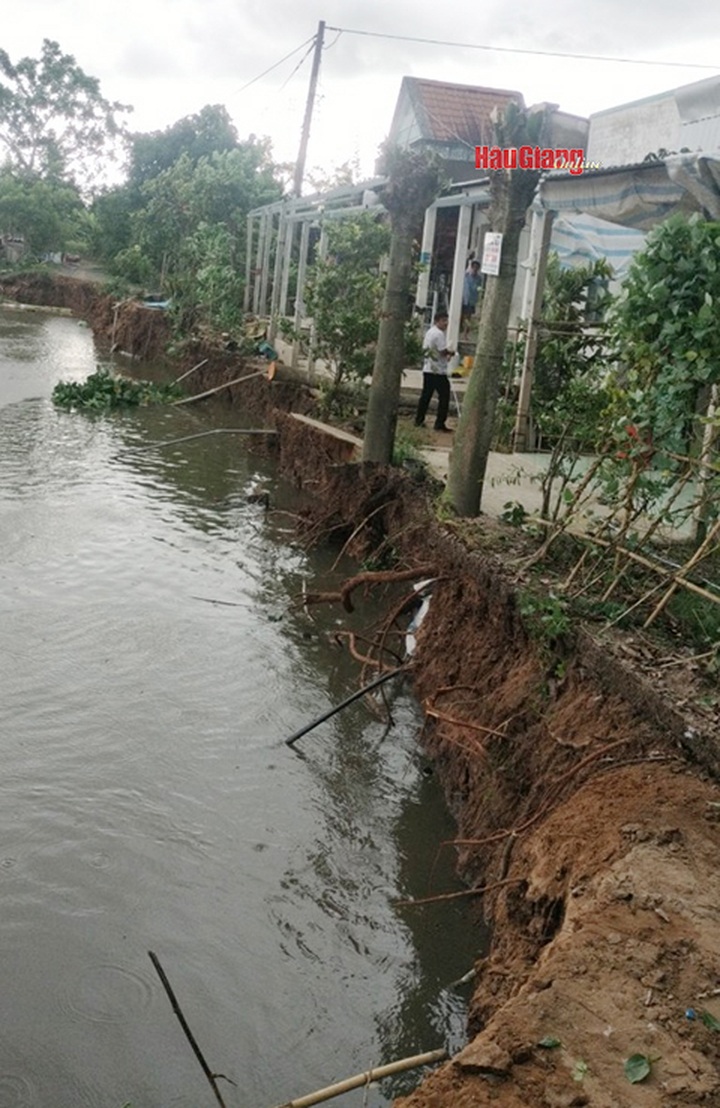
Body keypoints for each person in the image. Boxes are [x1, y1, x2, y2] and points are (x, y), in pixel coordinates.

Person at [414, 312, 454, 431]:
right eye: (443, 321)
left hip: (428, 368)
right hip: (437, 371)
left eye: (446, 320)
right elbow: (442, 351)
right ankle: (439, 423)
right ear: (437, 321)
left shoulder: (430, 332)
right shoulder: (439, 334)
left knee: (426, 395)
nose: (446, 323)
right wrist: (451, 353)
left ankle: (419, 420)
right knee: (444, 396)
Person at [461, 260, 483, 331]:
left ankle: (466, 333)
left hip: (472, 300)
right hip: (464, 299)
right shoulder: (466, 276)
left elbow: (478, 288)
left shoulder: (479, 279)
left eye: (477, 268)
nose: (475, 269)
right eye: (474, 267)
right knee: (463, 316)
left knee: (468, 316)